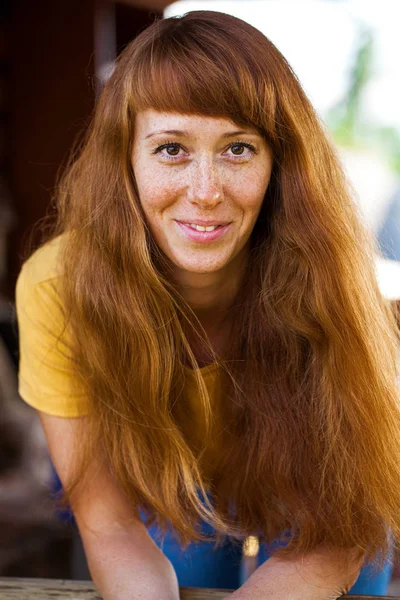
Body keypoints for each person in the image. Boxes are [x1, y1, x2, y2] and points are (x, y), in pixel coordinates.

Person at [15, 10, 400, 599]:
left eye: (238, 149)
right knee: (183, 566)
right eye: (171, 149)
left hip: (316, 491)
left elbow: (340, 530)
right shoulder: (58, 290)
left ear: (279, 165)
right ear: (125, 161)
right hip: (170, 482)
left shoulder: (328, 278)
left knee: (362, 575)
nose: (206, 191)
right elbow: (109, 520)